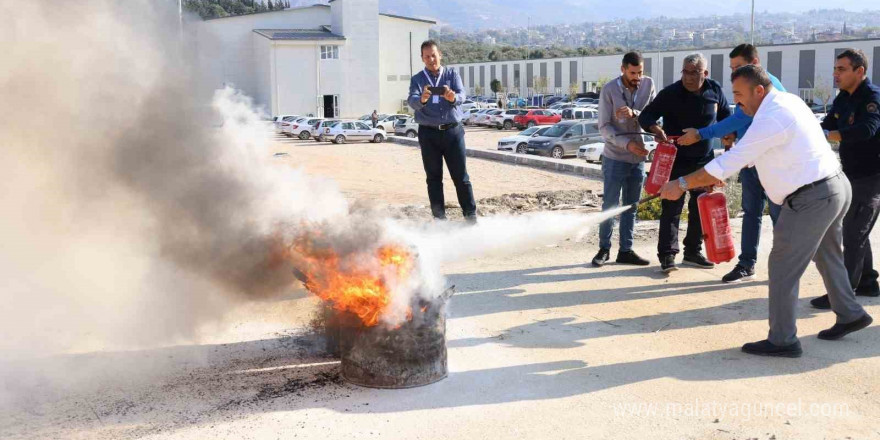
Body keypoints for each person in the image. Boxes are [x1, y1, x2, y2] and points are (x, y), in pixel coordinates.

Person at [659, 65, 872, 357]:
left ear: (759, 90)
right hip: (833, 188)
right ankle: (850, 313)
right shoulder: (786, 101)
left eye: (739, 95)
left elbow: (729, 161)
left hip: (812, 198)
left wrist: (681, 183)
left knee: (783, 266)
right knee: (828, 255)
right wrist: (724, 169)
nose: (736, 102)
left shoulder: (771, 117)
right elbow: (760, 152)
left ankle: (783, 340)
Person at [678, 44, 786, 284]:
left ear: (755, 63)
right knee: (751, 213)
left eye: (739, 67)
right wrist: (734, 136)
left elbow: (741, 117)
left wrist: (701, 134)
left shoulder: (769, 89)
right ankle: (747, 264)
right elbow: (744, 120)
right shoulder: (749, 88)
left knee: (779, 217)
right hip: (751, 164)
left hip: (770, 165)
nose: (735, 73)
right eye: (732, 68)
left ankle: (785, 267)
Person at [638, 53, 731, 272]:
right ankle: (668, 256)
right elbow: (646, 116)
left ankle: (692, 252)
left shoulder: (714, 90)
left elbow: (727, 118)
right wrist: (655, 128)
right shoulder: (670, 93)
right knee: (671, 208)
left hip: (704, 162)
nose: (688, 77)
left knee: (700, 207)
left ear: (705, 73)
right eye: (685, 72)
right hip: (675, 161)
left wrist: (730, 141)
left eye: (694, 73)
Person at [811, 49, 880, 309]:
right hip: (851, 173)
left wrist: (832, 135)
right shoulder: (842, 98)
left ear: (859, 71)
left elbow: (867, 129)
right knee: (856, 230)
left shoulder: (872, 98)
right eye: (835, 69)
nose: (835, 74)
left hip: (872, 175)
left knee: (853, 233)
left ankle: (843, 295)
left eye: (842, 69)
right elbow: (826, 124)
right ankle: (866, 282)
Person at [592, 51, 656, 267]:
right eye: (632, 72)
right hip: (615, 157)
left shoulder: (649, 85)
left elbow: (653, 115)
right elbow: (604, 127)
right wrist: (627, 144)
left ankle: (626, 251)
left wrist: (635, 113)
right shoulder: (609, 90)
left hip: (637, 158)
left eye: (640, 72)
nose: (637, 77)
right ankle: (604, 249)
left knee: (631, 206)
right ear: (622, 69)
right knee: (610, 205)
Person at [407, 40, 477, 222]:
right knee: (433, 179)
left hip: (453, 133)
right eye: (427, 56)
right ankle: (440, 220)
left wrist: (453, 97)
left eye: (434, 55)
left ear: (440, 55)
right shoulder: (417, 79)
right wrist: (421, 99)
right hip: (428, 134)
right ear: (422, 58)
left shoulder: (452, 74)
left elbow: (462, 95)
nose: (431, 59)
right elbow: (412, 100)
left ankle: (470, 217)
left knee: (461, 177)